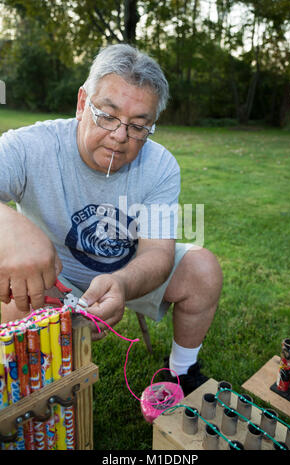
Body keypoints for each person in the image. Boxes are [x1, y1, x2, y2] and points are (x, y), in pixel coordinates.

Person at [0, 44, 222, 396]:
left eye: (138, 126)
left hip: (128, 272)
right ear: (81, 103)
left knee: (203, 268)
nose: (120, 136)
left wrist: (120, 284)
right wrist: (10, 227)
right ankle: (29, 394)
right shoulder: (31, 147)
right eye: (107, 114)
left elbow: (157, 254)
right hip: (53, 281)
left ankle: (182, 371)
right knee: (10, 301)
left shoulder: (161, 166)